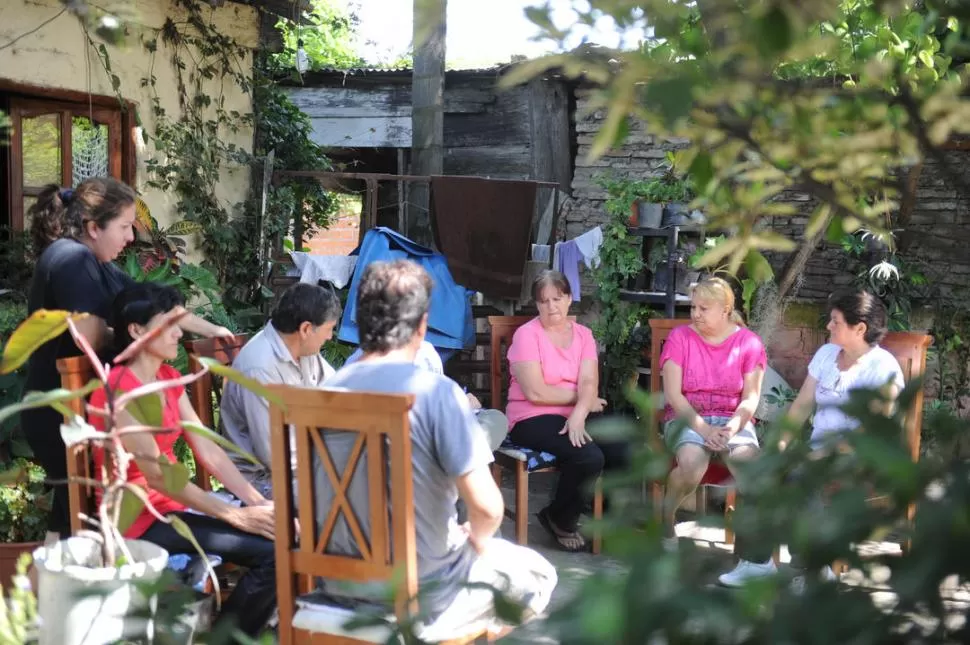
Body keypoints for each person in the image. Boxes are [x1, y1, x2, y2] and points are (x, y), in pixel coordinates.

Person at [318, 260, 556, 639]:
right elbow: (487, 509)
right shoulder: (435, 393)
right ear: (422, 325)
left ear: (359, 320)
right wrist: (474, 542)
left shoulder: (322, 394)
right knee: (537, 574)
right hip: (421, 588)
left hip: (335, 584)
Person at [22, 178, 233, 536]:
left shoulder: (98, 261)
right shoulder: (71, 258)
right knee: (75, 515)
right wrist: (143, 336)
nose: (130, 238)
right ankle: (57, 586)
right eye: (123, 227)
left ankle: (60, 585)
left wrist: (210, 330)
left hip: (81, 406)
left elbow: (153, 307)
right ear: (93, 228)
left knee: (76, 516)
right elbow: (88, 334)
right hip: (57, 412)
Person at [88, 282, 277, 636]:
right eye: (169, 323)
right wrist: (237, 516)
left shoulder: (168, 378)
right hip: (139, 522)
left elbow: (208, 450)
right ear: (137, 330)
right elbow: (158, 477)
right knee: (274, 553)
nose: (178, 333)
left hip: (170, 510)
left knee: (278, 534)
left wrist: (259, 504)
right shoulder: (117, 391)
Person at [724, 289, 905, 589]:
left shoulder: (883, 369)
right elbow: (800, 408)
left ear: (859, 328)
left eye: (835, 322)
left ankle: (814, 571)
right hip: (817, 451)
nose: (828, 327)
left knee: (799, 476)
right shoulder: (826, 355)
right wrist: (779, 446)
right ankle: (757, 563)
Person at [656, 277, 769, 585]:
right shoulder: (680, 338)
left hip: (734, 421)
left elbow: (751, 398)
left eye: (704, 308)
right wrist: (705, 429)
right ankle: (666, 516)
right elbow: (674, 396)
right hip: (688, 418)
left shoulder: (748, 343)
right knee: (692, 464)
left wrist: (730, 429)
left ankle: (750, 558)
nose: (695, 313)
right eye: (693, 306)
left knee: (753, 468)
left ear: (726, 309)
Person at [504, 269, 624, 553]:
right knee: (588, 455)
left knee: (622, 448)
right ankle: (559, 517)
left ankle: (601, 517)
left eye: (557, 298)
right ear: (537, 304)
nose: (551, 306)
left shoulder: (583, 335)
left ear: (569, 298)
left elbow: (589, 381)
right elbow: (536, 392)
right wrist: (584, 400)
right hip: (531, 416)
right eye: (543, 301)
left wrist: (579, 413)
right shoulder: (526, 335)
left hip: (576, 411)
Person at [219, 282, 341, 499]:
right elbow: (278, 457)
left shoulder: (304, 351)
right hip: (260, 482)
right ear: (305, 329)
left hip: (300, 467)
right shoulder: (259, 368)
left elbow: (337, 391)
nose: (330, 337)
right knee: (353, 494)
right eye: (329, 329)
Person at [346, 339, 510, 451]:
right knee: (494, 420)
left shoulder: (349, 367)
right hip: (416, 467)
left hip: (359, 474)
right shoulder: (424, 353)